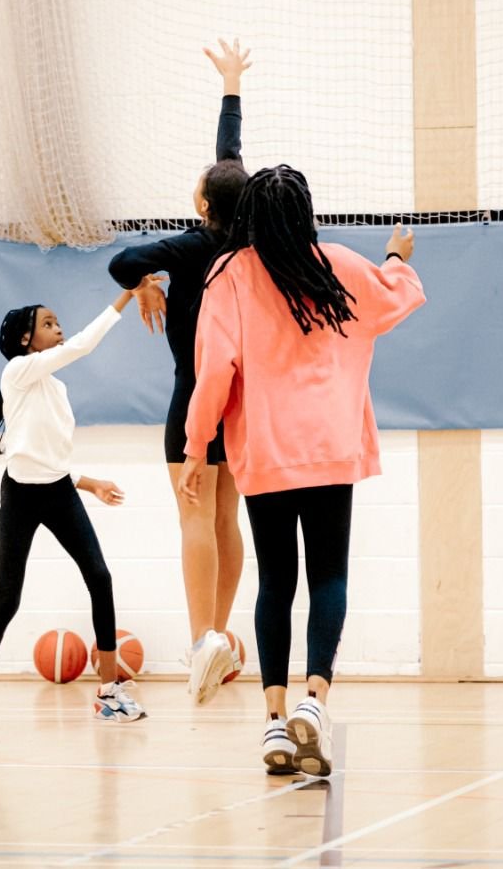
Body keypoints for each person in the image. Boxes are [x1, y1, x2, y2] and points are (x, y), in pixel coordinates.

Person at [181, 165, 425, 776]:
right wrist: (395, 256)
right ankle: (315, 703)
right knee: (329, 577)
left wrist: (194, 446)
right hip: (330, 446)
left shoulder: (229, 276)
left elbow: (213, 372)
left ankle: (272, 723)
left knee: (275, 584)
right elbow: (399, 295)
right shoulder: (338, 264)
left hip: (264, 453)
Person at [107, 39, 252, 703]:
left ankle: (202, 642)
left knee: (194, 517)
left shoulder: (191, 246)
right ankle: (217, 640)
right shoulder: (251, 237)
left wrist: (143, 282)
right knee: (227, 521)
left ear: (201, 207)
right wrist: (230, 87)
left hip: (196, 396)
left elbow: (121, 260)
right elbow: (230, 159)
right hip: (243, 402)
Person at [0, 286, 157, 728]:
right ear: (27, 340)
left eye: (57, 321)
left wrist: (90, 484)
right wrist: (127, 294)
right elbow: (85, 343)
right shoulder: (18, 372)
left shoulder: (57, 389)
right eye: (48, 324)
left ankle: (108, 694)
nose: (59, 328)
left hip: (59, 492)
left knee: (100, 578)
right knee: (7, 598)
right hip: (20, 497)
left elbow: (51, 458)